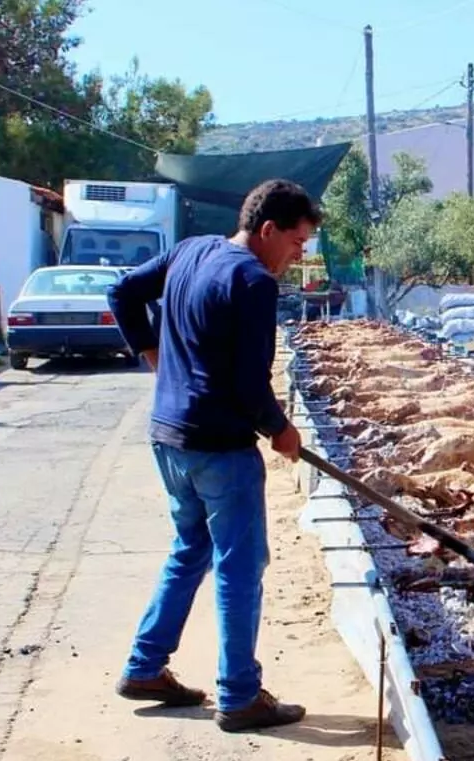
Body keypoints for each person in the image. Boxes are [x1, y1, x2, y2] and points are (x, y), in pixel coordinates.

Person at [105, 179, 320, 732]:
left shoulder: (191, 249)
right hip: (219, 449)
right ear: (267, 229)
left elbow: (123, 292)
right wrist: (282, 430)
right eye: (296, 243)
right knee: (240, 567)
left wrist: (152, 353)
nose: (298, 257)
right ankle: (241, 695)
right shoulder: (252, 282)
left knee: (191, 548)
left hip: (169, 439)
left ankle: (145, 666)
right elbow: (251, 385)